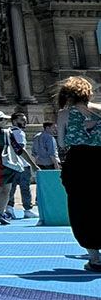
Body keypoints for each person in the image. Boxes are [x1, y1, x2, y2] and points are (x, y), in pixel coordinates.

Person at [54, 77, 101, 271]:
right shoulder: (100, 110)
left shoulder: (64, 114)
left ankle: (95, 259)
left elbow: (62, 143)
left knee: (81, 209)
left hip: (78, 163)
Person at [0, 110, 27, 225]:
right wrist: (32, 164)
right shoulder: (7, 133)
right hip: (6, 162)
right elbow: (18, 149)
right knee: (6, 189)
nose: (6, 121)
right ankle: (1, 212)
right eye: (4, 119)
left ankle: (1, 211)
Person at [6, 112, 39, 219]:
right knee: (25, 188)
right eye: (22, 120)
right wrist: (32, 164)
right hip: (22, 165)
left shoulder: (7, 132)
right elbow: (21, 150)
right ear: (15, 121)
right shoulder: (19, 133)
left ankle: (9, 208)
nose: (25, 122)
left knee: (11, 188)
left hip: (11, 164)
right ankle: (27, 210)